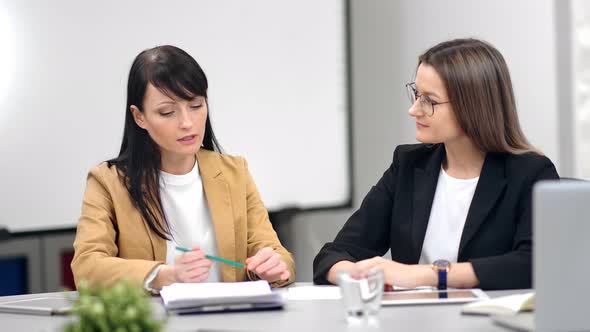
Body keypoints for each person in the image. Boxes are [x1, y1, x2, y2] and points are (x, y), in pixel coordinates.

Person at [313, 38, 559, 290]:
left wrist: (425, 275)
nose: (414, 110)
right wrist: (360, 274)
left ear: (473, 106)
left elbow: (535, 264)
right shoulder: (408, 165)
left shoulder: (531, 173)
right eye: (417, 94)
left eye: (430, 100)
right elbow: (333, 255)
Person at [72, 45, 295, 291]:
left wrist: (273, 266)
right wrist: (164, 275)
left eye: (196, 106)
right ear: (139, 117)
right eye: (167, 112)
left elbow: (277, 255)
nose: (187, 123)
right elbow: (87, 268)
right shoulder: (108, 182)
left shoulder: (234, 172)